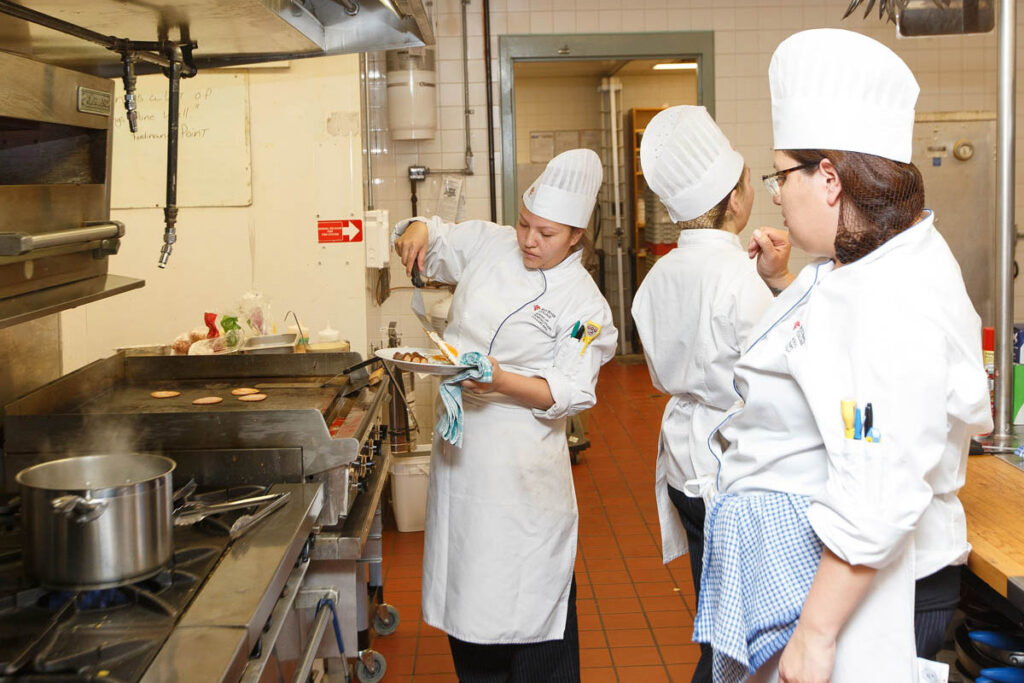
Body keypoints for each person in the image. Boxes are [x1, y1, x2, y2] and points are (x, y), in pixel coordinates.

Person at [692, 28, 992, 682]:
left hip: (866, 597)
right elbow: (836, 359)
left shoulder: (892, 295)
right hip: (837, 577)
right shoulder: (870, 260)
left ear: (829, 178)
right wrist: (782, 278)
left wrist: (817, 632)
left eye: (780, 174)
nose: (775, 191)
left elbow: (879, 477)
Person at [392, 148, 618, 682]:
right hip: (463, 455)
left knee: (533, 608)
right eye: (524, 224)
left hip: (523, 471)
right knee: (470, 601)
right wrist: (419, 229)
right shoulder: (492, 244)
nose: (529, 241)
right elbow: (435, 236)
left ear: (577, 236)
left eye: (547, 234)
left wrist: (498, 379)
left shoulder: (584, 306)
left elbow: (569, 388)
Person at [630, 105, 772, 683]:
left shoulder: (659, 276)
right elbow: (774, 376)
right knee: (737, 639)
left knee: (712, 610)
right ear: (736, 201)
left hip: (682, 465)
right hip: (731, 468)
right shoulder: (740, 278)